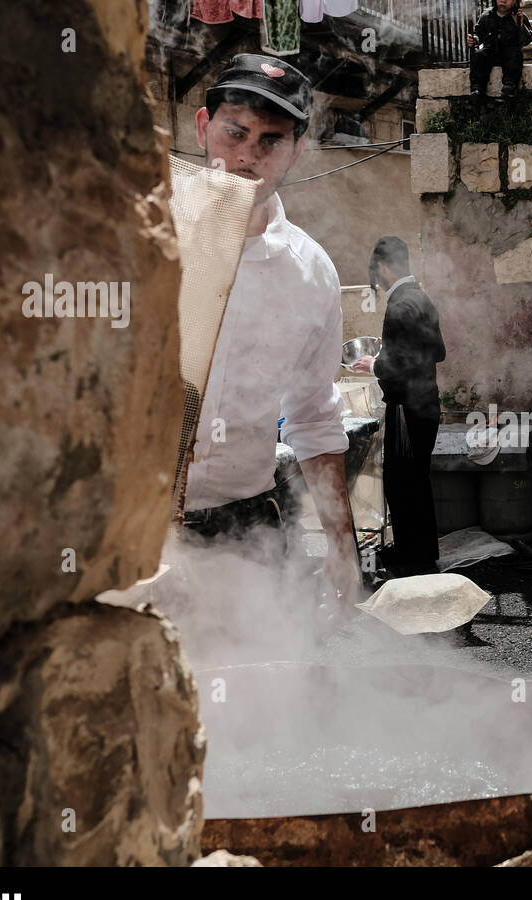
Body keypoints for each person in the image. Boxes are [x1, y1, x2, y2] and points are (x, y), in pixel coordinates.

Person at [182, 53, 361, 605]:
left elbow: (313, 415)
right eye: (236, 131)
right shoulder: (140, 238)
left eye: (271, 141)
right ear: (203, 127)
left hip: (250, 530)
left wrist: (342, 544)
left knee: (257, 685)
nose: (247, 156)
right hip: (128, 523)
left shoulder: (310, 274)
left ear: (296, 150)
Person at [351, 237, 446, 577]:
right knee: (415, 479)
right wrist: (387, 349)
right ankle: (421, 551)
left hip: (407, 407)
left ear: (384, 267)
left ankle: (411, 556)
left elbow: (407, 361)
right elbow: (435, 351)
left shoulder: (399, 304)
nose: (376, 280)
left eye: (376, 273)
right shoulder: (419, 297)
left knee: (400, 482)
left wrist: (374, 364)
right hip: (426, 405)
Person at [466, 0, 532, 101]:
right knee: (479, 55)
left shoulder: (519, 16)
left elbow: (527, 40)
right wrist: (474, 39)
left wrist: (519, 25)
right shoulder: (486, 15)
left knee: (515, 54)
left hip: (509, 53)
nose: (503, 1)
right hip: (490, 51)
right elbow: (478, 33)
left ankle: (509, 86)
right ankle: (477, 89)